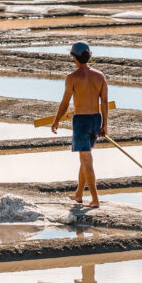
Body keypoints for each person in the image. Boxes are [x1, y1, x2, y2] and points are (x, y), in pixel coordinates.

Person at [51, 41, 108, 206]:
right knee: (85, 158)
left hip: (82, 121)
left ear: (74, 57)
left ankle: (95, 200)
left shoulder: (72, 78)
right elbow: (104, 103)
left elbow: (64, 103)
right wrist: (104, 125)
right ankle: (78, 194)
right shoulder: (100, 76)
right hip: (95, 119)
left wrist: (56, 121)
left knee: (86, 159)